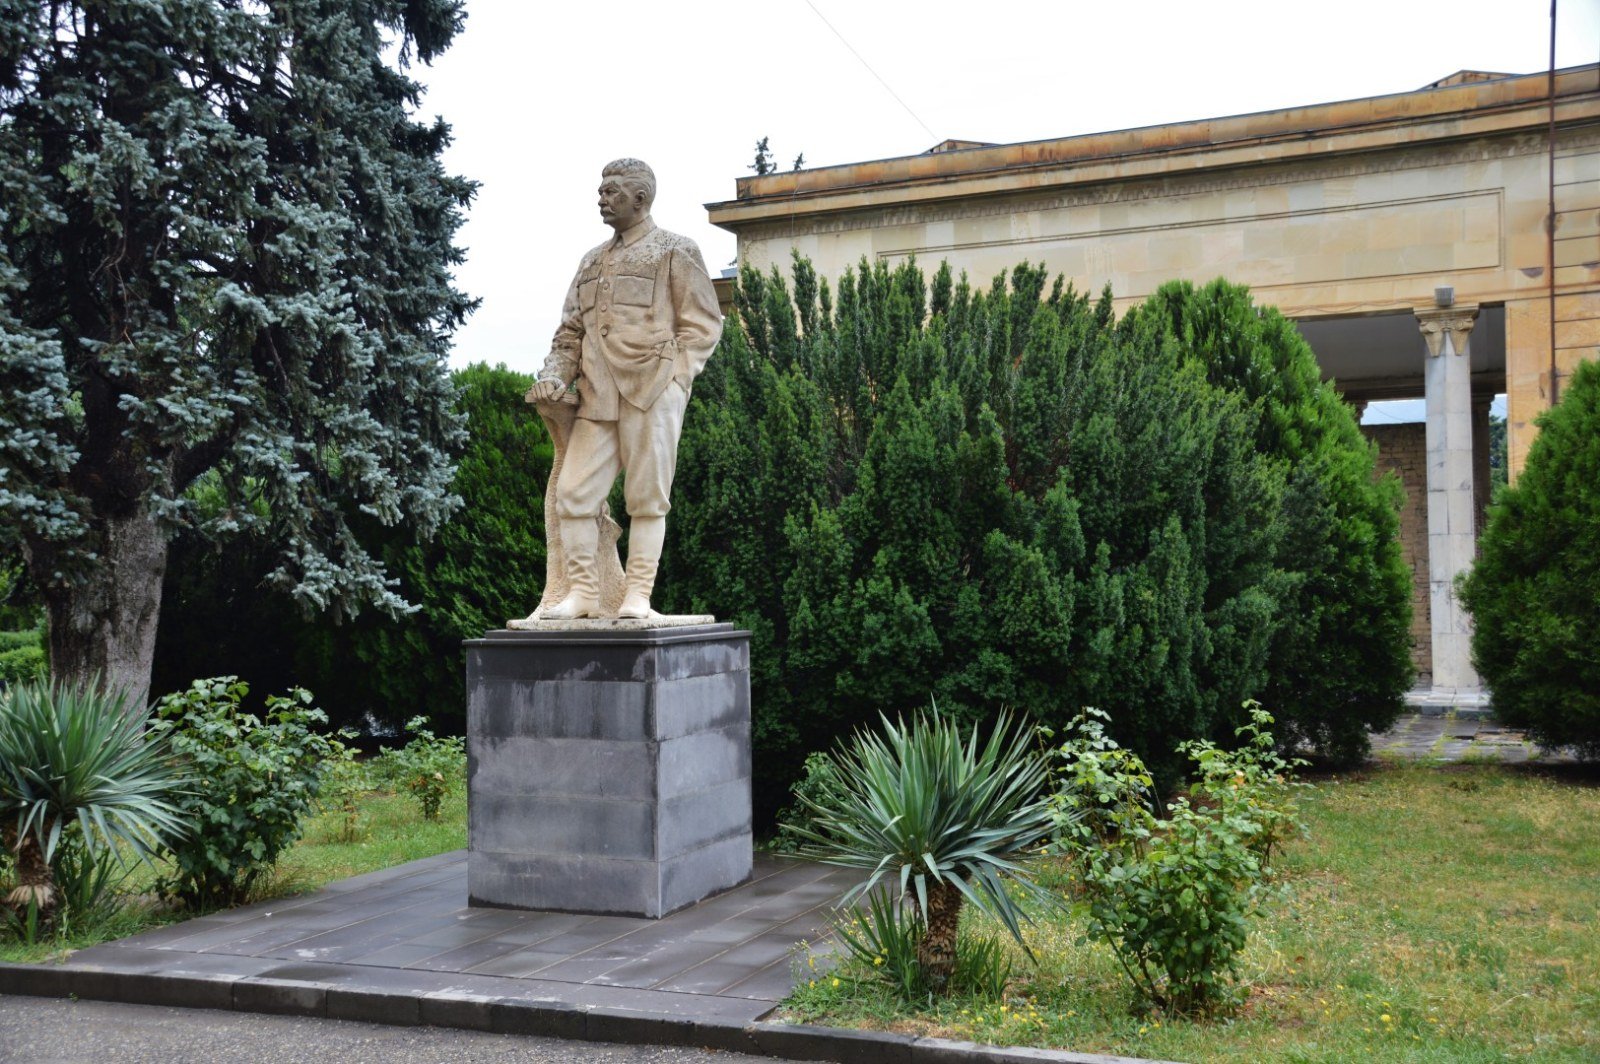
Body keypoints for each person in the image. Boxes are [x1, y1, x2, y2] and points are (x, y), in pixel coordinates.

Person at [526, 158, 722, 619]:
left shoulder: (675, 250)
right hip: (597, 397)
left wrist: (676, 379)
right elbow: (569, 333)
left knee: (647, 497)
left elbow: (704, 324)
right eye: (601, 189)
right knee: (572, 495)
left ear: (641, 198)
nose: (602, 197)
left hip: (653, 390)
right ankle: (585, 596)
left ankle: (637, 597)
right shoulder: (591, 260)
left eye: (612, 190)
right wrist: (555, 376)